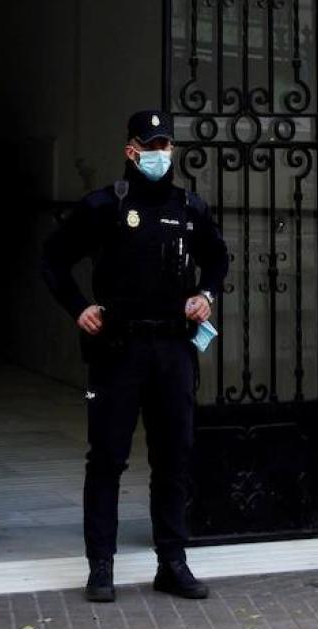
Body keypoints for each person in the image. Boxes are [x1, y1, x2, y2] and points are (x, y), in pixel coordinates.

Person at [40, 109, 228, 603]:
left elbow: (218, 257)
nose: (160, 154)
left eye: (166, 145)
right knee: (107, 458)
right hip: (118, 349)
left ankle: (173, 562)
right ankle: (101, 566)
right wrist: (78, 308)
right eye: (151, 145)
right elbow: (54, 259)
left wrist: (207, 293)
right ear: (131, 151)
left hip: (172, 349)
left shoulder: (190, 208)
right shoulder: (104, 206)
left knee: (173, 457)